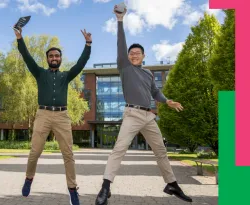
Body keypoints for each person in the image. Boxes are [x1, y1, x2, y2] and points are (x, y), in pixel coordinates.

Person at [95, 5, 192, 205]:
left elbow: (155, 92)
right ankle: (105, 187)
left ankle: (171, 184)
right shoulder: (125, 67)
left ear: (144, 56)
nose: (134, 54)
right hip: (132, 114)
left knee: (161, 150)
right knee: (119, 149)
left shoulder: (148, 74)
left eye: (137, 53)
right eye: (131, 53)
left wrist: (167, 101)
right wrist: (120, 21)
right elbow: (121, 45)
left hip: (149, 117)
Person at [13, 25, 92, 205]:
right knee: (35, 152)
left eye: (57, 56)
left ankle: (72, 189)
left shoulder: (66, 76)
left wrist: (88, 44)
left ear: (60, 59)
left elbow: (81, 63)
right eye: (51, 56)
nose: (54, 58)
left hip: (62, 116)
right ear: (48, 59)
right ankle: (28, 178)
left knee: (68, 154)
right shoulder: (40, 73)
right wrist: (19, 38)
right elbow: (26, 57)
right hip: (43, 115)